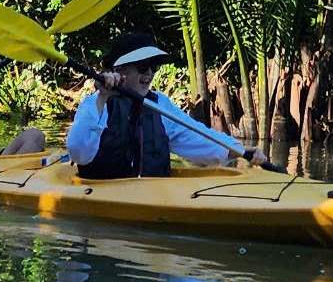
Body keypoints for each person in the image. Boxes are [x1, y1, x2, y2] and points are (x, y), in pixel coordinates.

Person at [66, 33, 268, 179]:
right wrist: (103, 96)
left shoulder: (159, 104)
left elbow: (197, 135)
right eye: (142, 67)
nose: (149, 74)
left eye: (154, 67)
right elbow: (78, 152)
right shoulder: (96, 103)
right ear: (120, 69)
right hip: (101, 192)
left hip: (153, 194)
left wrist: (239, 150)